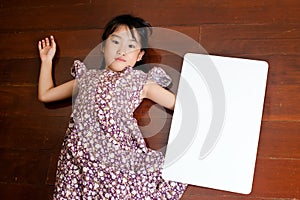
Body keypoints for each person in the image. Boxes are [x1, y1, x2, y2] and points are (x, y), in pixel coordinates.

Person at [38, 14, 187, 199]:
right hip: (77, 162)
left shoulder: (139, 81)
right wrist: (46, 61)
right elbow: (46, 94)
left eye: (131, 46)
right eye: (115, 42)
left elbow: (181, 107)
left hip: (114, 158)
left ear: (139, 56)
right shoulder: (86, 78)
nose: (122, 50)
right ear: (102, 47)